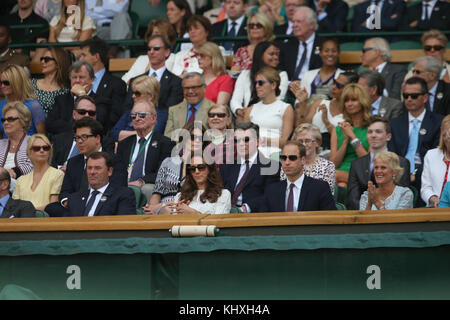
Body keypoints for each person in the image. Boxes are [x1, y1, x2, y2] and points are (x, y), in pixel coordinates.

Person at [45, 118, 127, 216]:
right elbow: (65, 191)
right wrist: (71, 203)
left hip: (102, 206)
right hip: (76, 207)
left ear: (97, 139)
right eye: (77, 138)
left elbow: (118, 188)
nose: (79, 141)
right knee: (51, 208)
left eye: (84, 137)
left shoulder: (114, 160)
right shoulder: (73, 162)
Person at [389, 77, 443, 203]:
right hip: (399, 177)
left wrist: (416, 175)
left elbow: (436, 154)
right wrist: (404, 174)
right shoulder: (395, 123)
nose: (409, 99)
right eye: (406, 95)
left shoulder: (438, 122)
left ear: (425, 97)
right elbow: (392, 154)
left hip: (427, 175)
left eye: (414, 96)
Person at [121, 35, 184, 135]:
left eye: (156, 48)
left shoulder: (176, 82)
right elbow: (127, 109)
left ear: (167, 52)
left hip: (162, 132)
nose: (151, 52)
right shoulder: (134, 80)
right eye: (149, 49)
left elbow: (171, 112)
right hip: (132, 128)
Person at [347, 115, 410, 210]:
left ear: (388, 136)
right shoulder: (357, 164)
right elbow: (352, 199)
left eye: (378, 132)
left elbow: (400, 195)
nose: (373, 135)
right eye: (370, 132)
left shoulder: (402, 162)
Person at [143, 122, 207, 214]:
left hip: (190, 207)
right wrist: (153, 208)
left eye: (200, 138)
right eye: (193, 137)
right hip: (165, 208)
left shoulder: (204, 166)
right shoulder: (168, 162)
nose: (197, 141)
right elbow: (157, 192)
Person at [117, 99, 175, 199]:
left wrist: (141, 181)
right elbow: (118, 170)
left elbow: (163, 172)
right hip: (125, 184)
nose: (137, 118)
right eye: (133, 116)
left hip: (147, 185)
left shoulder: (165, 143)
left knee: (147, 189)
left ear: (153, 117)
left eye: (142, 115)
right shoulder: (124, 144)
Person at [219, 122, 280, 213]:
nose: (241, 144)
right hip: (225, 214)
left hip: (254, 218)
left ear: (258, 141)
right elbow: (219, 192)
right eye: (237, 140)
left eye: (246, 139)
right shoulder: (227, 166)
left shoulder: (271, 166)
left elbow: (269, 196)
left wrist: (244, 209)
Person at [291, 71, 358, 151]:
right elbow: (302, 129)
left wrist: (326, 121)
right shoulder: (319, 102)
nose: (334, 87)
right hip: (309, 149)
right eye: (334, 82)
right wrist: (302, 103)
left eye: (339, 86)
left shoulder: (353, 112)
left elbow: (345, 139)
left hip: (333, 151)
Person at [262, 140, 336, 212]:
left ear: (303, 160)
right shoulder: (271, 190)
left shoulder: (320, 188)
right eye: (284, 158)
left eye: (292, 158)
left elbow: (331, 218)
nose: (287, 162)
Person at [46, 61, 111, 135]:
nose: (77, 81)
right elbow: (50, 125)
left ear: (92, 80)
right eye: (74, 77)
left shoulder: (101, 101)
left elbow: (97, 124)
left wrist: (82, 95)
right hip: (64, 143)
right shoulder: (60, 100)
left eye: (81, 77)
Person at [230, 41, 289, 122]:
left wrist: (253, 111)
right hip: (246, 115)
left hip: (270, 115)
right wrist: (239, 110)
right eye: (271, 54)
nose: (275, 57)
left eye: (277, 54)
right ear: (260, 55)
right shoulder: (245, 74)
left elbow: (278, 99)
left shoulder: (281, 75)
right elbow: (236, 99)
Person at [243, 66, 294, 158]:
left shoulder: (286, 108)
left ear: (273, 85)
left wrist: (263, 141)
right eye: (256, 83)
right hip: (252, 154)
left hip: (275, 154)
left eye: (261, 83)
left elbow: (285, 142)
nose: (257, 86)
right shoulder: (250, 109)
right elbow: (243, 137)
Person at [50, 95, 114, 169]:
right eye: (82, 112)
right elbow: (50, 165)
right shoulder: (59, 139)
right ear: (74, 114)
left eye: (91, 113)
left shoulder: (106, 142)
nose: (87, 115)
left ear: (95, 116)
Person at [64, 151, 136, 216]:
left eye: (97, 168)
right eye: (89, 168)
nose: (92, 172)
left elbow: (124, 225)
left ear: (109, 171)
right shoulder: (74, 198)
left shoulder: (122, 195)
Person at [158, 153, 231, 215]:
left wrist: (193, 213)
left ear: (210, 169)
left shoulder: (223, 194)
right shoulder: (180, 196)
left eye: (201, 167)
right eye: (192, 168)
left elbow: (219, 223)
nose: (197, 171)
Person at [79, 38, 127, 130]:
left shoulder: (116, 84)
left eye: (84, 55)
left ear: (96, 57)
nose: (80, 59)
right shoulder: (76, 81)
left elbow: (114, 118)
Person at [330, 83, 371, 187]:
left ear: (363, 102)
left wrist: (352, 136)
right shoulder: (338, 129)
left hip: (361, 173)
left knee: (331, 176)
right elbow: (333, 164)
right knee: (341, 186)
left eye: (354, 100)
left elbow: (366, 162)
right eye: (346, 100)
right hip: (340, 173)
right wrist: (345, 140)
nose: (349, 104)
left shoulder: (372, 128)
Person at [12, 133, 64, 211]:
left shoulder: (58, 174)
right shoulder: (20, 180)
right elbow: (14, 208)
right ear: (29, 153)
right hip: (22, 221)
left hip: (46, 220)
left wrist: (29, 212)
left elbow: (53, 205)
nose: (42, 150)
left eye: (46, 148)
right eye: (37, 148)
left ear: (50, 152)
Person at [122, 19, 178, 84]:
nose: (158, 38)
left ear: (169, 39)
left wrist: (135, 81)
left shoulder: (174, 58)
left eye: (162, 35)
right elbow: (124, 81)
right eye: (156, 34)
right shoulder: (141, 59)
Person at [291, 38, 344, 105]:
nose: (330, 54)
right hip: (308, 112)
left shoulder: (343, 75)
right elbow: (298, 101)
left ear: (339, 54)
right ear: (320, 53)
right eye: (326, 51)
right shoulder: (308, 75)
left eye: (334, 51)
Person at [165, 72, 216, 139]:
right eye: (186, 88)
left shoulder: (214, 110)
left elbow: (215, 137)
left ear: (204, 88)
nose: (190, 91)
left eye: (194, 87)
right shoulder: (174, 110)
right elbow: (168, 136)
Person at [279, 6, 324, 82]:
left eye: (299, 21)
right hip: (290, 88)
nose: (294, 25)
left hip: (314, 87)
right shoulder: (287, 46)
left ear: (311, 25)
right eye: (293, 22)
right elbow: (282, 70)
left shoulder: (323, 45)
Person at [0, 64, 46, 138]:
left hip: (28, 148)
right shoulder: (0, 105)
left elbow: (42, 137)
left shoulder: (33, 106)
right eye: (0, 83)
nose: (2, 86)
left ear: (17, 82)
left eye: (6, 83)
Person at [110, 76, 160, 142]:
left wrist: (123, 134)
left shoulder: (160, 115)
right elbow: (114, 134)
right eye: (133, 93)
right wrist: (139, 133)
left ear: (150, 96)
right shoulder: (128, 113)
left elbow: (151, 135)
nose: (133, 96)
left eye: (137, 94)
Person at [290, 123, 335, 194]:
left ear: (317, 143)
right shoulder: (288, 164)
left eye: (307, 141)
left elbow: (327, 196)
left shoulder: (327, 166)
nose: (304, 144)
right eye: (300, 141)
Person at [0, 102, 34, 184]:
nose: (6, 123)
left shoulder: (33, 142)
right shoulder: (0, 144)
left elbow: (35, 165)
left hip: (24, 187)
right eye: (3, 120)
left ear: (23, 121)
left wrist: (14, 171)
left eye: (10, 119)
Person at [420, 115, 450, 208]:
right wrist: (433, 198)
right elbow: (425, 188)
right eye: (445, 134)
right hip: (433, 208)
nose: (448, 138)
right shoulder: (431, 155)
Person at [31, 46, 70, 114]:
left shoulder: (65, 91)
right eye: (42, 59)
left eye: (47, 59)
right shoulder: (31, 84)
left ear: (58, 63)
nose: (42, 62)